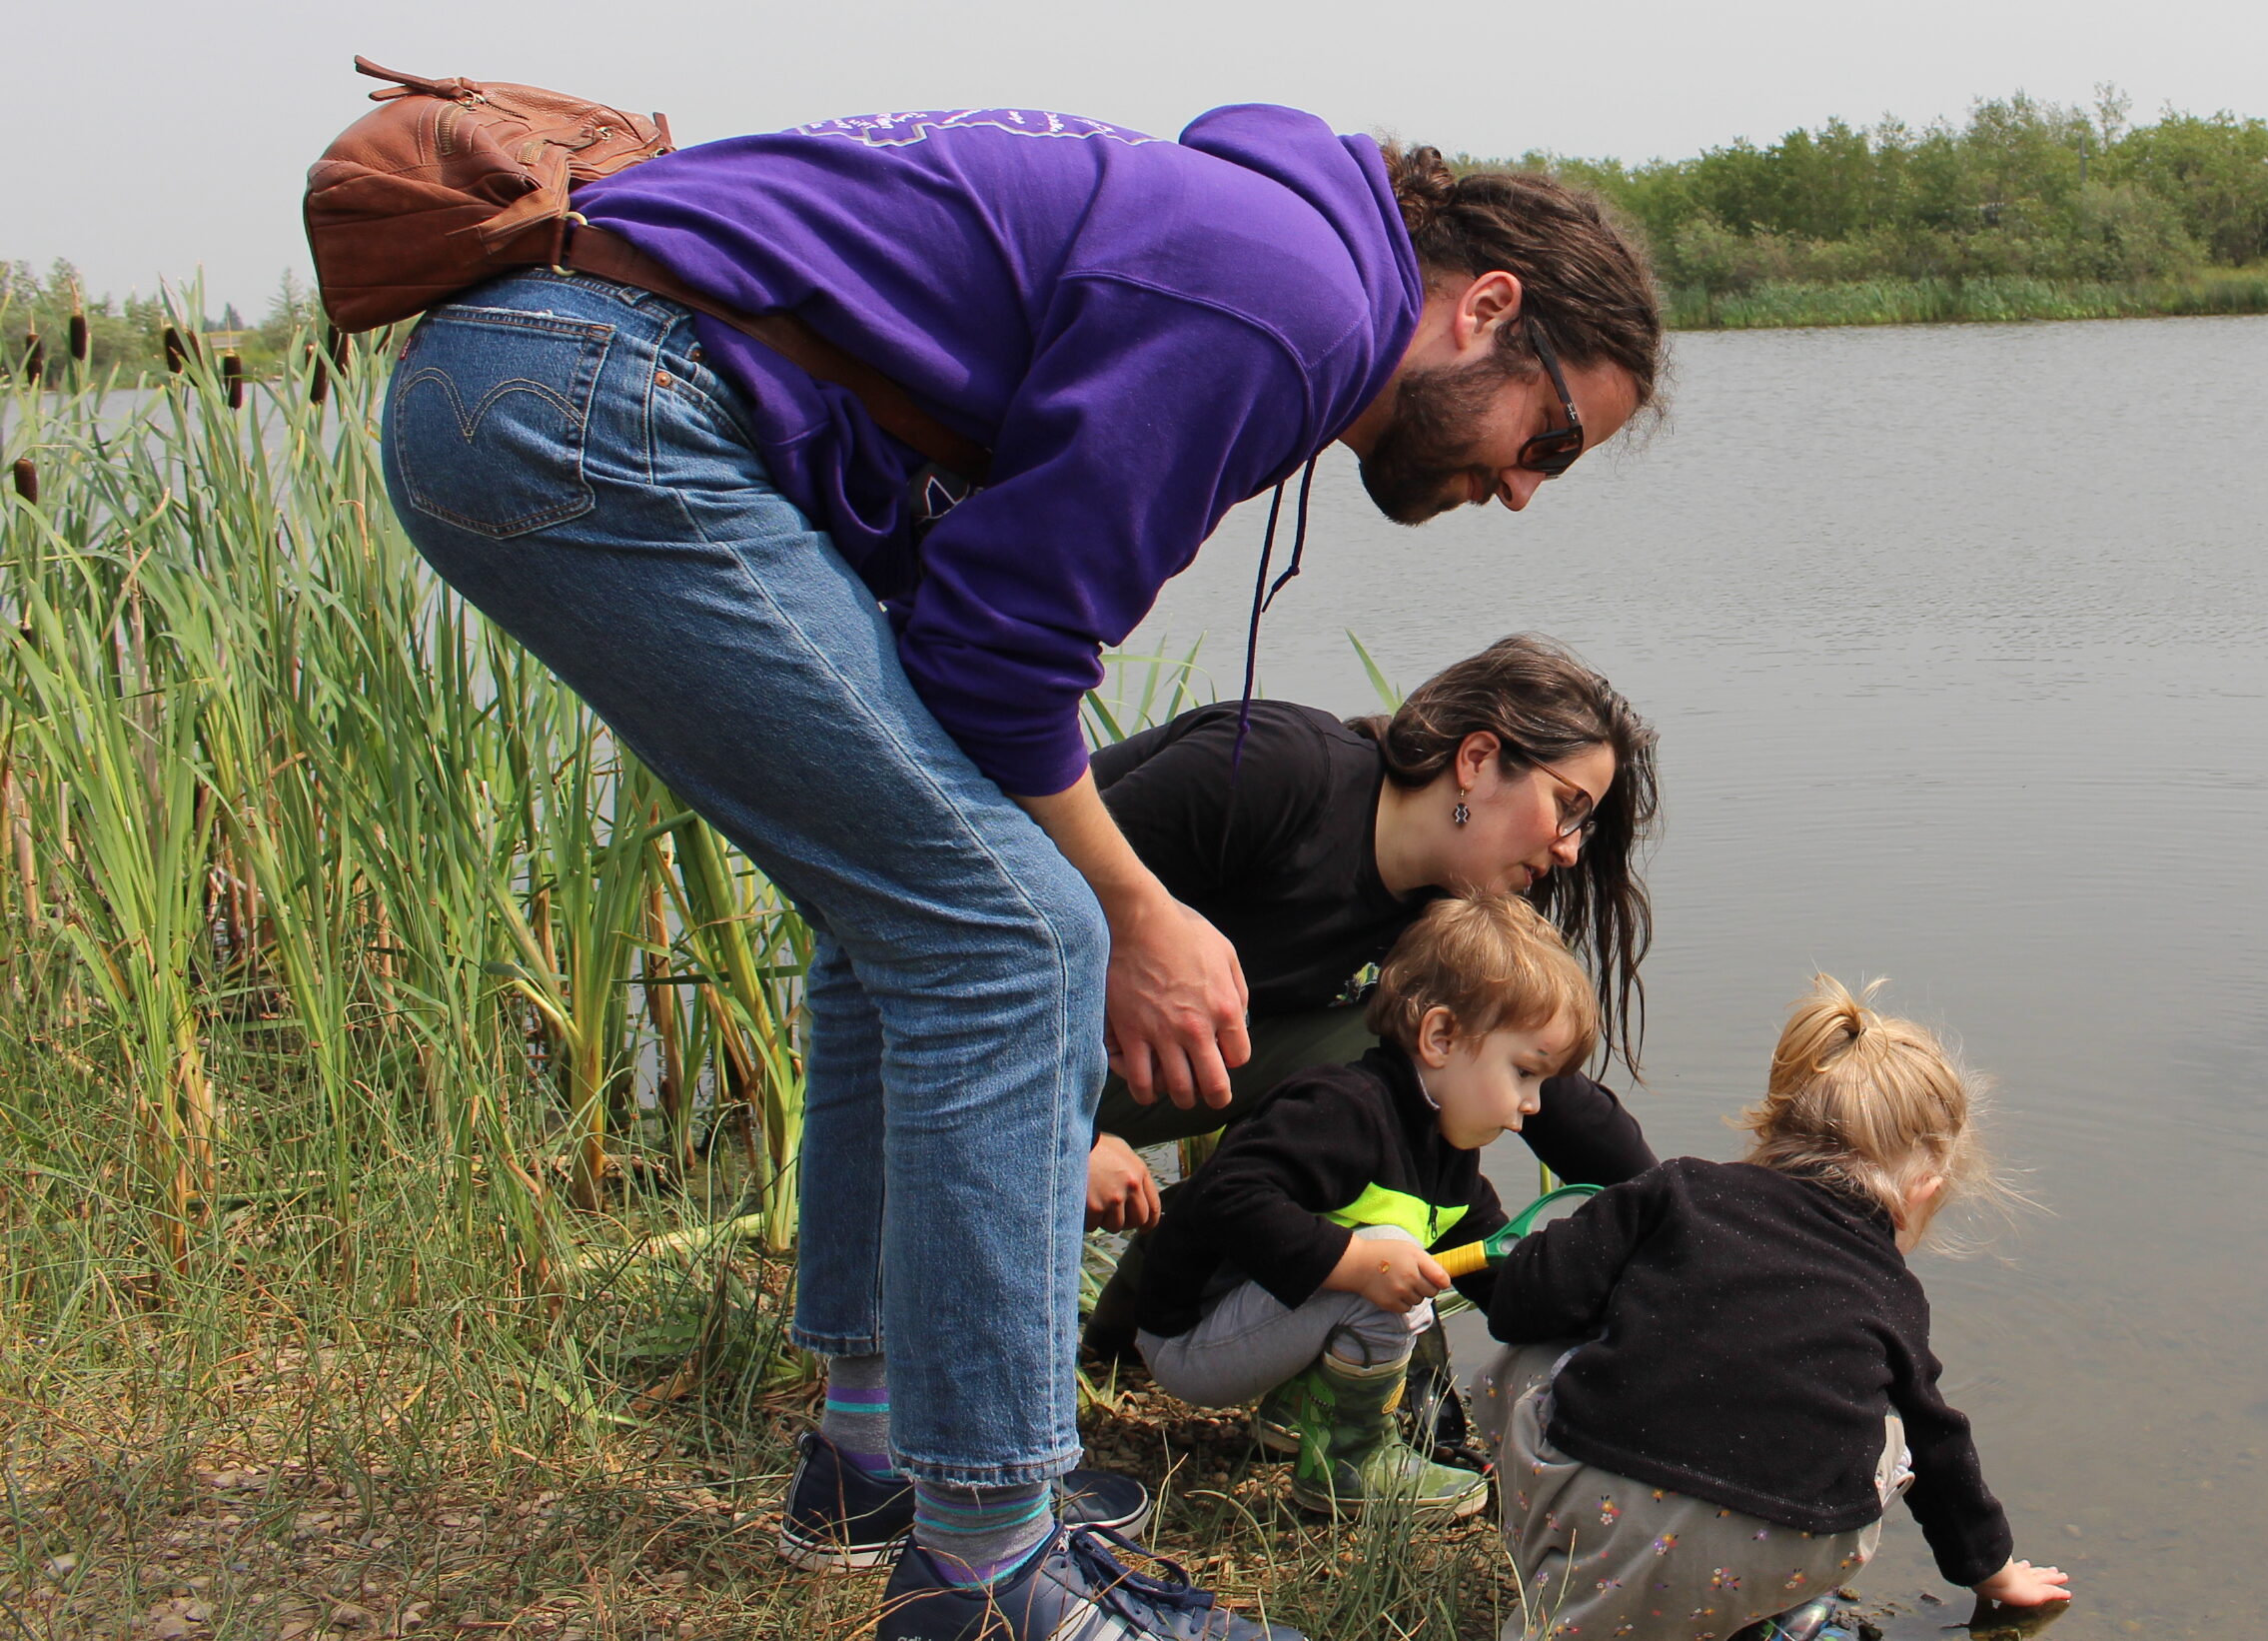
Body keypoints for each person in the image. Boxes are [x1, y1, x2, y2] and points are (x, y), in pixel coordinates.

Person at [375, 96, 1665, 1641]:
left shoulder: (1272, 257)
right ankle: (990, 1571)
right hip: (605, 397)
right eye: (1550, 439)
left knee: (906, 926)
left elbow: (971, 606)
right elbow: (1000, 653)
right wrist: (1139, 909)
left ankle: (872, 1457)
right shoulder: (1296, 297)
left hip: (544, 375)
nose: (1522, 488)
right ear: (1487, 308)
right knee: (1023, 940)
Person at [1469, 978, 2073, 1641]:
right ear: (1924, 1189)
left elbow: (1523, 1304)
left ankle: (1572, 1575)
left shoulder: (1678, 1188)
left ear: (1772, 1124)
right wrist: (1993, 1572)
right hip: (1783, 1553)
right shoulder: (1891, 1289)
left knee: (1523, 1360)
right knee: (1896, 1435)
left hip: (1604, 1512)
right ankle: (1771, 1617)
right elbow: (1942, 1448)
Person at [1074, 633, 1660, 1259]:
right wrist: (1073, 1142)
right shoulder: (1278, 770)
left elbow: (1541, 1073)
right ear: (1478, 759)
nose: (1569, 850)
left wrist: (1674, 1209)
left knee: (1438, 1049)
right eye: (1567, 806)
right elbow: (1013, 917)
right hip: (1009, 1055)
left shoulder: (1437, 910)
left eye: (1583, 825)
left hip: (1105, 1077)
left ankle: (1184, 1270)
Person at [1117, 895, 1657, 1515]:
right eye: (1525, 1073)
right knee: (1386, 1257)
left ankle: (1305, 1412)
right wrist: (1358, 1265)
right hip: (1190, 1337)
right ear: (1440, 1037)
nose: (1534, 1105)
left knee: (1390, 1258)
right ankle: (1349, 1464)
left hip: (1256, 1323)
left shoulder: (1447, 1152)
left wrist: (1588, 1314)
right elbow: (1225, 1194)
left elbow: (1494, 1272)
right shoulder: (1342, 1109)